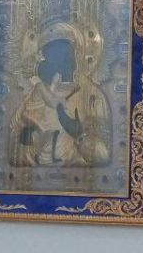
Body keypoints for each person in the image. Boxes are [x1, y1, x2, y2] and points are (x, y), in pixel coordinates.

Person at [9, 21, 112, 169]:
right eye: (53, 56)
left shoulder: (92, 97)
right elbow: (12, 146)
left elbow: (105, 156)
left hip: (79, 177)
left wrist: (79, 136)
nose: (61, 61)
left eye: (65, 54)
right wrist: (27, 138)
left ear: (77, 55)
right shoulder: (35, 94)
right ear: (44, 59)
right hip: (36, 177)